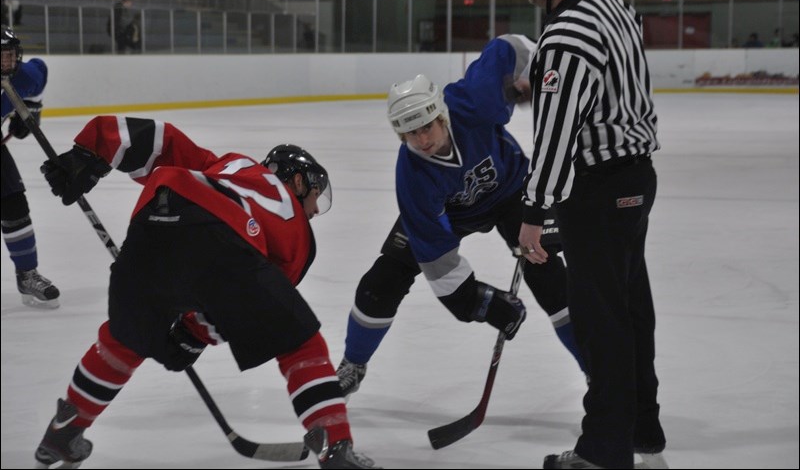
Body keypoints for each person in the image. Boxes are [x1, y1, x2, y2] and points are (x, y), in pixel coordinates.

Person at [33, 117, 379, 469]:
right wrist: (193, 335)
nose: (316, 210)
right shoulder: (298, 232)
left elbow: (160, 140)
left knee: (125, 338)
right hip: (221, 235)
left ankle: (64, 431)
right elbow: (238, 306)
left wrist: (89, 153)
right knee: (297, 339)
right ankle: (335, 446)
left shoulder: (226, 164)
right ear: (300, 181)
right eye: (316, 197)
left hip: (154, 219)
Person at [336, 34, 586, 401]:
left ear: (441, 114)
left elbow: (510, 46)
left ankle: (598, 372)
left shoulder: (474, 101)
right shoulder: (413, 176)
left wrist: (538, 74)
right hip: (451, 214)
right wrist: (477, 301)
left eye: (427, 127)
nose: (421, 140)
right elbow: (435, 251)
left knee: (547, 272)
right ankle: (352, 364)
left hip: (512, 191)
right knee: (383, 279)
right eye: (410, 133)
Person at [514, 0, 667, 469]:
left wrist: (534, 214)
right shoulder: (614, 8)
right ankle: (642, 430)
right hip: (635, 179)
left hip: (597, 190)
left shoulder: (565, 36)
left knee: (601, 324)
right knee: (629, 312)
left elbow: (556, 137)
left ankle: (604, 452)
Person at [1, 25, 60, 308]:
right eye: (0, 57)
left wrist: (31, 111)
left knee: (14, 203)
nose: (7, 63)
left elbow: (40, 71)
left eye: (10, 56)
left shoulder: (25, 76)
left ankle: (27, 274)